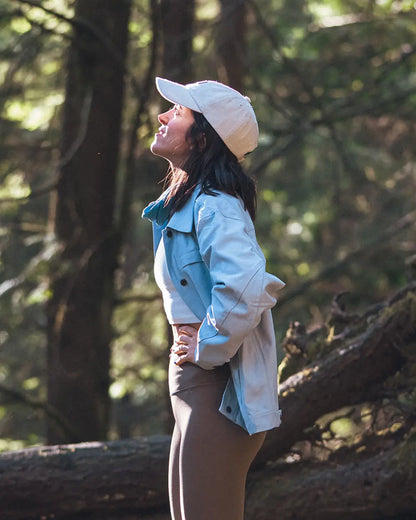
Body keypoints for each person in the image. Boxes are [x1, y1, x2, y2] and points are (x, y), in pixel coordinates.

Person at [142, 77, 285, 520]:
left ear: (203, 139)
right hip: (196, 389)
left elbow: (246, 286)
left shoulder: (214, 205)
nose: (163, 116)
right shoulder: (185, 204)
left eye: (178, 112)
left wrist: (205, 347)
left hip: (218, 391)